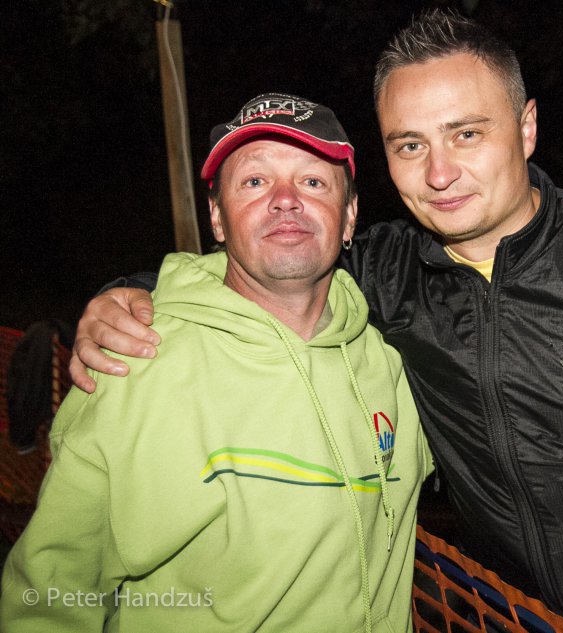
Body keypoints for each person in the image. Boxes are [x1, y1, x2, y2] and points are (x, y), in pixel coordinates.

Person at [70, 11, 563, 633]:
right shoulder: (386, 272)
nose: (439, 173)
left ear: (526, 127)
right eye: (410, 144)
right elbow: (268, 262)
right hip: (497, 611)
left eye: (467, 134)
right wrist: (126, 292)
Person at [2, 93, 431, 633]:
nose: (285, 200)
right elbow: (50, 594)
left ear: (349, 217)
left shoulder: (390, 366)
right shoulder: (135, 362)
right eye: (254, 181)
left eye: (313, 181)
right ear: (217, 219)